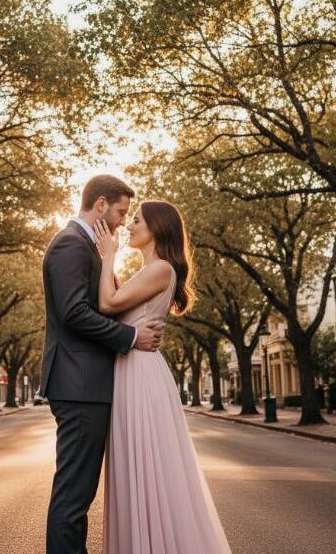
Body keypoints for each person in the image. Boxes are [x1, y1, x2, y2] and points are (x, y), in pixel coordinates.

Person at [94, 200, 233, 554]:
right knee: (136, 471)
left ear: (156, 227)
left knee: (148, 470)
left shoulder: (161, 269)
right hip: (133, 369)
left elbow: (108, 305)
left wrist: (108, 253)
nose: (129, 226)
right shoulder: (150, 271)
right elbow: (119, 309)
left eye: (136, 220)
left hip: (140, 375)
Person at [41, 175, 165, 554]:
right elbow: (74, 312)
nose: (122, 222)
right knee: (73, 497)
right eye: (121, 212)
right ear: (100, 205)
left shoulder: (87, 246)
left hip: (88, 385)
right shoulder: (70, 245)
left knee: (78, 495)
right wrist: (130, 337)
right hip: (79, 386)